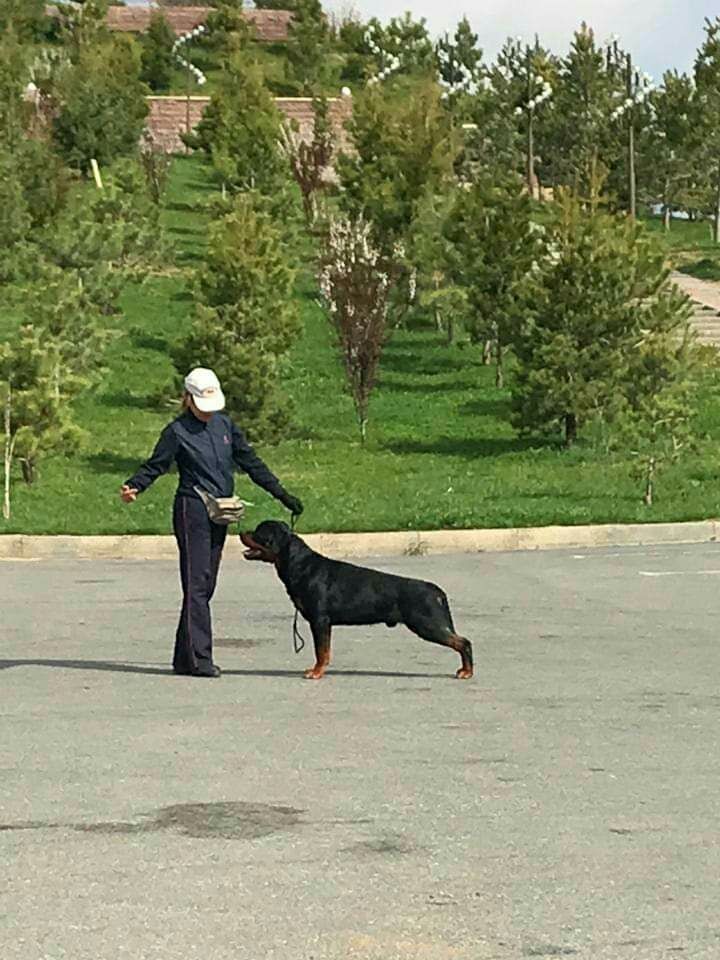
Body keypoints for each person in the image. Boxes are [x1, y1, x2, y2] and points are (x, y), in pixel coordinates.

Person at [120, 367, 303, 678]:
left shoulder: (224, 425)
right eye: (201, 406)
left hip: (221, 512)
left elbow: (250, 460)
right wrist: (135, 485)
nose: (207, 413)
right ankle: (199, 659)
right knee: (197, 585)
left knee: (205, 585)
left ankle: (183, 658)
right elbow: (157, 464)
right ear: (187, 399)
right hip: (192, 511)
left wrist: (281, 493)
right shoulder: (176, 432)